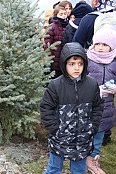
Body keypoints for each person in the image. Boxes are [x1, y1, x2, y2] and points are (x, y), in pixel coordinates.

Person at [40, 42, 104, 174]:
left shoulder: (91, 85)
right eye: (72, 64)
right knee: (54, 168)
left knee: (79, 170)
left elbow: (98, 106)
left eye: (80, 64)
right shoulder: (55, 86)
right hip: (60, 139)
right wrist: (55, 129)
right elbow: (46, 108)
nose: (76, 68)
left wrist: (92, 126)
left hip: (83, 140)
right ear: (64, 64)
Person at [86, 27, 116, 174]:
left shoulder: (114, 62)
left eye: (105, 45)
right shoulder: (86, 59)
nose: (100, 48)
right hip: (87, 106)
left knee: (99, 136)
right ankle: (80, 159)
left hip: (106, 107)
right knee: (85, 134)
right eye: (98, 44)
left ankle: (93, 160)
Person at [43, 5, 68, 79]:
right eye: (61, 14)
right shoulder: (52, 27)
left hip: (63, 57)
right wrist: (50, 58)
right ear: (56, 15)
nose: (63, 16)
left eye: (64, 14)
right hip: (54, 59)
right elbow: (47, 44)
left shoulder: (67, 26)